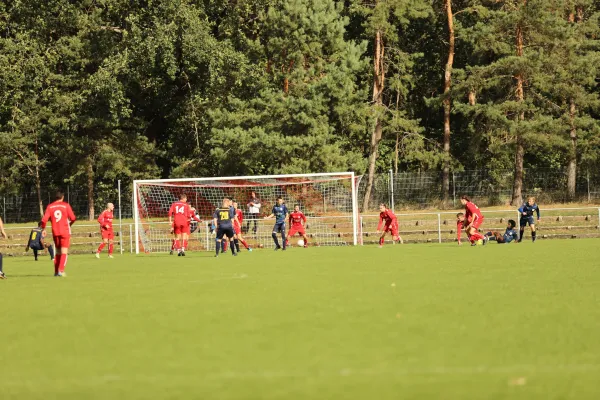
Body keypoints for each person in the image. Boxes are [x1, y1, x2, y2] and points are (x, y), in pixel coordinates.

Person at [41, 190, 76, 277]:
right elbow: (73, 218)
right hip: (65, 231)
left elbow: (44, 220)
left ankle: (56, 272)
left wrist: (43, 229)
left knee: (58, 252)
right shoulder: (66, 205)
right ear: (62, 197)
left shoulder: (50, 206)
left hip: (55, 232)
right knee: (64, 252)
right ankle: (61, 270)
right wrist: (69, 224)